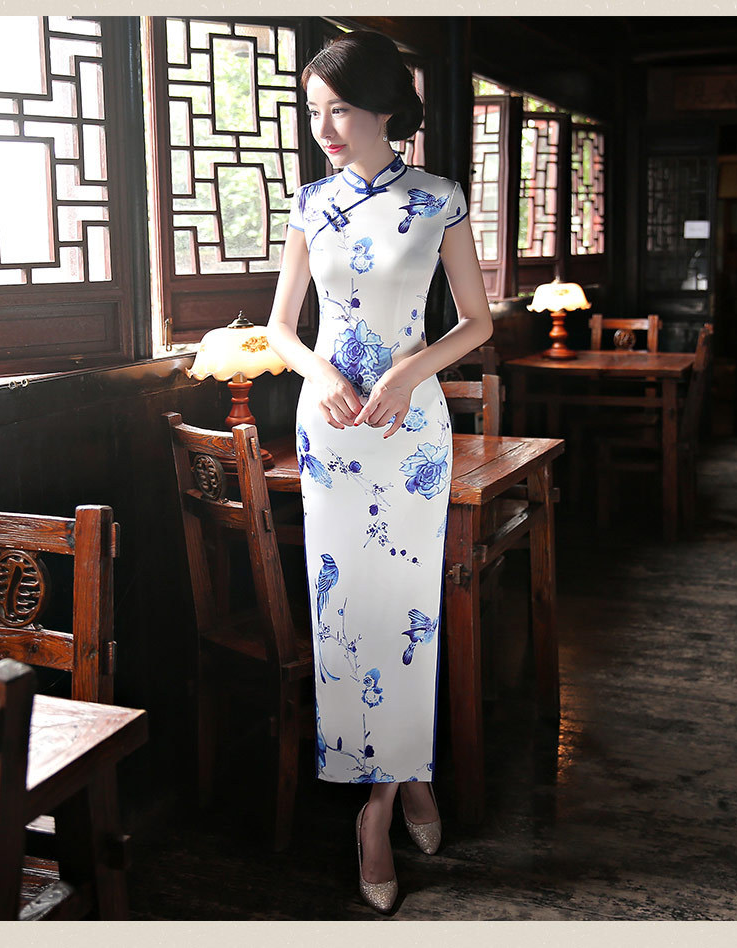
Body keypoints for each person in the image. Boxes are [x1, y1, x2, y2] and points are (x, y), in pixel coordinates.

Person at [266, 29, 493, 913]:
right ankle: (401, 781)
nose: (324, 127)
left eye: (341, 109)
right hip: (331, 433)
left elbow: (475, 323)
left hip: (410, 430)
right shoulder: (310, 202)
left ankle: (382, 805)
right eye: (314, 111)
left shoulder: (440, 198)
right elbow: (283, 326)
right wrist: (319, 373)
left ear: (384, 108)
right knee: (345, 614)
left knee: (408, 613)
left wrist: (406, 374)